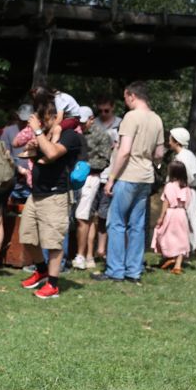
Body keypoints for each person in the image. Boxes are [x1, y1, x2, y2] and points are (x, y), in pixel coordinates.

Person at [95, 81, 165, 284]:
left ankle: (115, 270)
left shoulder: (131, 117)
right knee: (137, 225)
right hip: (146, 177)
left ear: (132, 95)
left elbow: (124, 151)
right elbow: (159, 153)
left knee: (116, 223)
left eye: (125, 97)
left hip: (127, 176)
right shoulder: (156, 119)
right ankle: (134, 270)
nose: (125, 101)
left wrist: (111, 178)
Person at [17, 89, 80, 299]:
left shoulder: (71, 136)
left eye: (45, 118)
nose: (42, 122)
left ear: (56, 116)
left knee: (53, 243)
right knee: (27, 236)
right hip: (36, 194)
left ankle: (53, 285)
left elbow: (52, 153)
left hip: (56, 196)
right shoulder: (45, 135)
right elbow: (38, 156)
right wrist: (33, 148)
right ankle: (42, 270)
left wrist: (37, 132)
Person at [73, 106, 114, 270]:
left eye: (84, 122)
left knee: (83, 217)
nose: (82, 125)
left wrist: (85, 166)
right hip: (73, 178)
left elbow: (105, 160)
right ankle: (85, 256)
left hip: (91, 177)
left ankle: (81, 255)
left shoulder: (101, 135)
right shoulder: (75, 131)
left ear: (91, 119)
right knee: (84, 217)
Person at [167, 127, 196, 266]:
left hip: (182, 191)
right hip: (191, 191)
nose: (168, 142)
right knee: (193, 220)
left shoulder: (180, 158)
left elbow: (181, 177)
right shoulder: (189, 155)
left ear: (177, 141)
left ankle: (193, 248)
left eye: (170, 139)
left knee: (182, 222)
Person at [153, 161, 193, 272]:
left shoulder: (169, 186)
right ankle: (177, 265)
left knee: (166, 235)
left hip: (171, 214)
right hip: (182, 214)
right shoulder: (186, 187)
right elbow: (188, 203)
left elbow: (166, 202)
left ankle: (169, 256)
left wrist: (161, 217)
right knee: (182, 238)